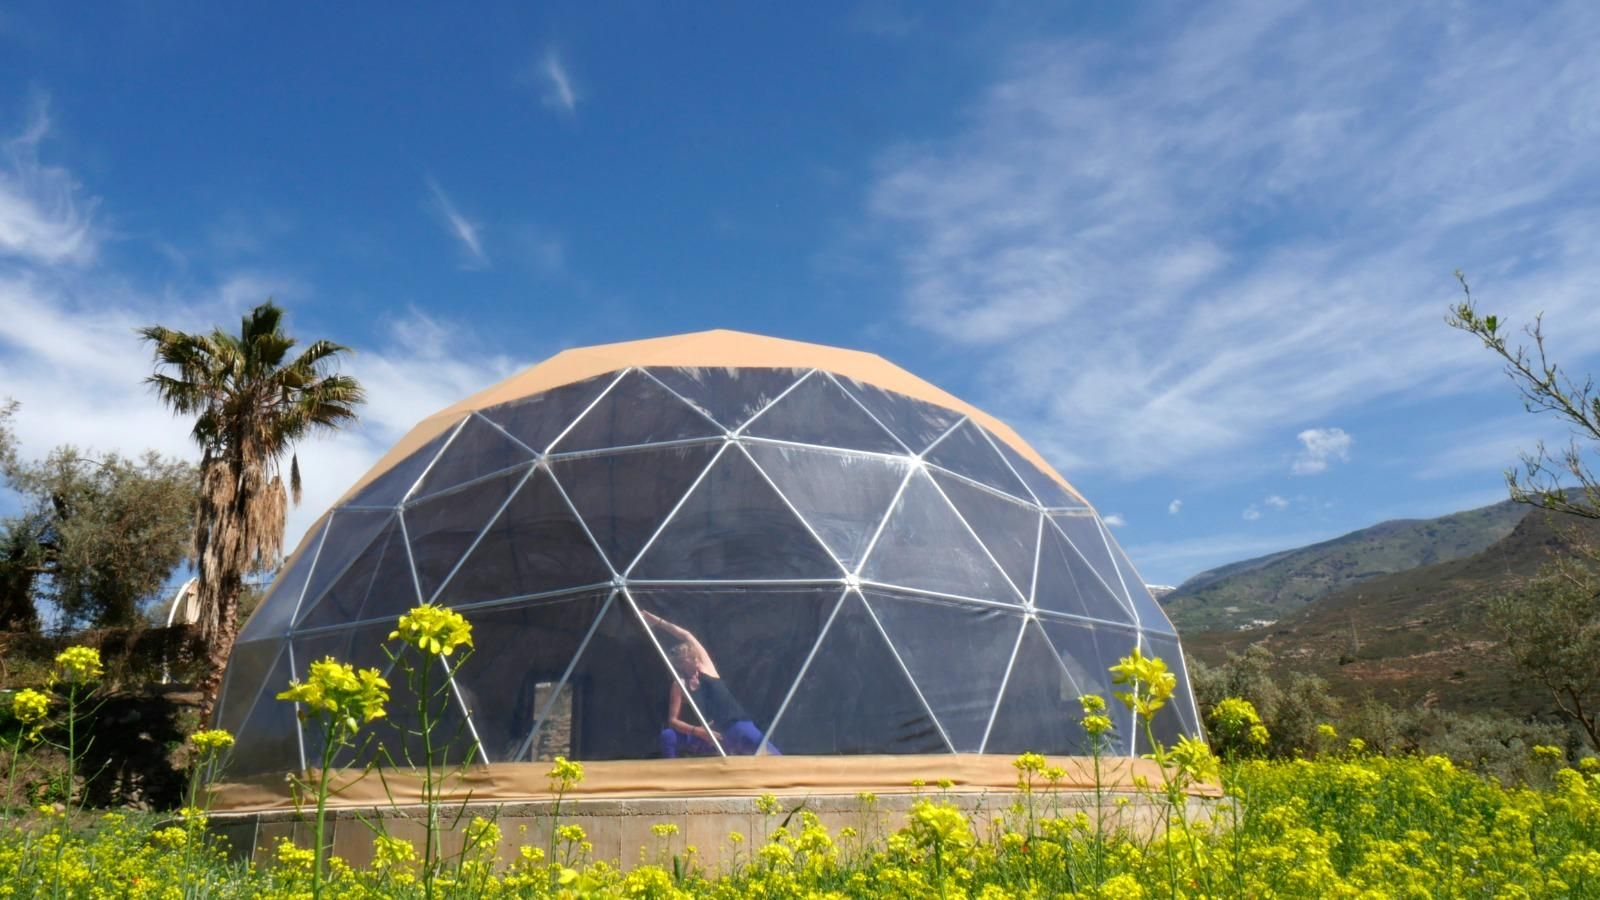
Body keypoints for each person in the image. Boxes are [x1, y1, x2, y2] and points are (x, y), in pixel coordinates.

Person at [641, 609, 779, 758]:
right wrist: (696, 731)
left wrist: (657, 622)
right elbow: (673, 721)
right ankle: (672, 775)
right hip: (710, 734)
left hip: (735, 725)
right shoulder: (680, 684)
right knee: (668, 736)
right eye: (687, 656)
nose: (693, 658)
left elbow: (687, 635)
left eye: (693, 655)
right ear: (680, 663)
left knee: (771, 754)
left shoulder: (706, 668)